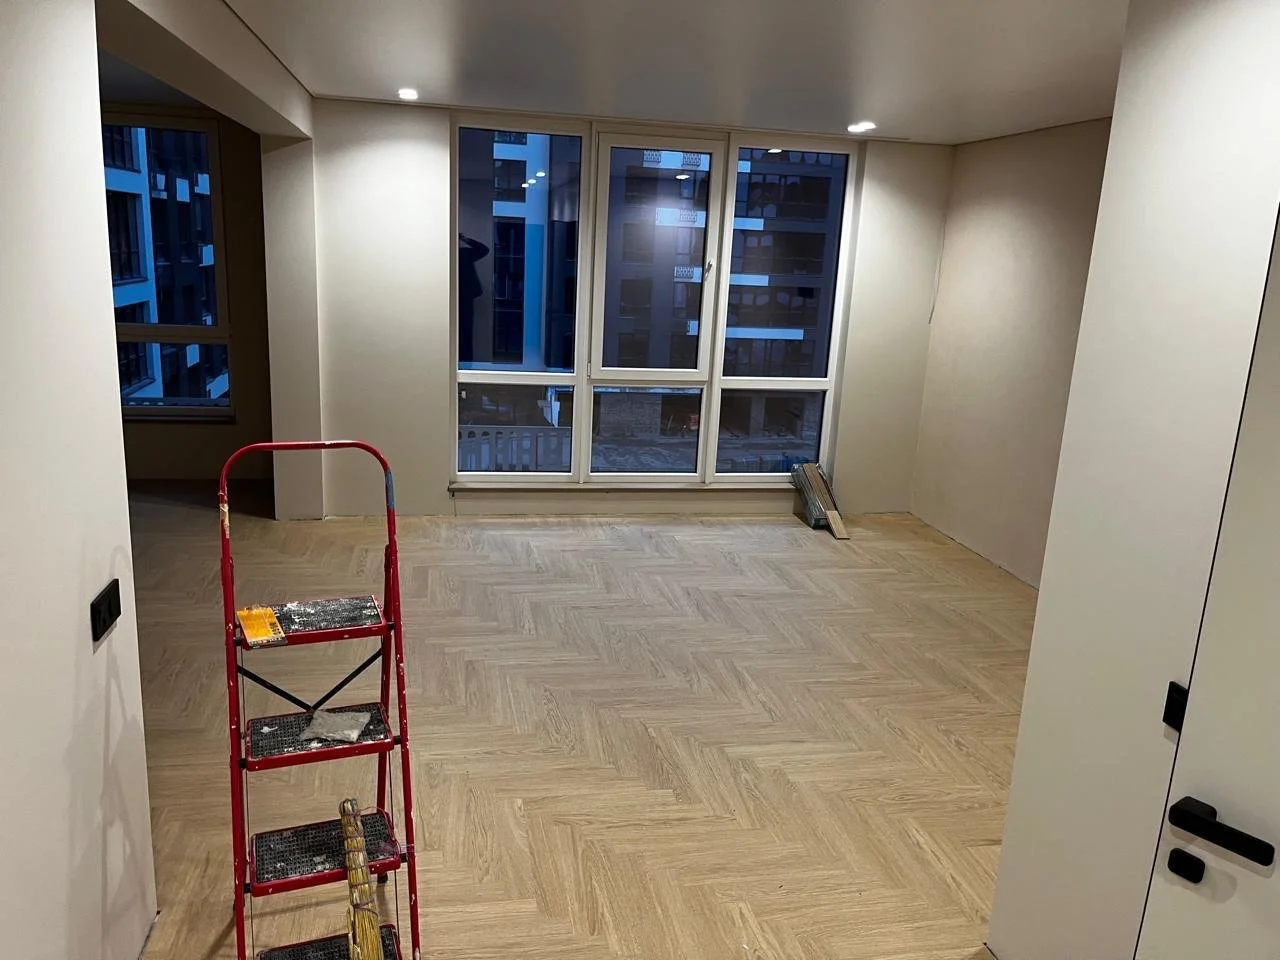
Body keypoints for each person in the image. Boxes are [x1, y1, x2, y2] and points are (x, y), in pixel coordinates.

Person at [457, 233, 490, 363]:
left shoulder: (464, 253)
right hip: (455, 296)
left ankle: (465, 362)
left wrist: (464, 239)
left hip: (465, 296)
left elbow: (484, 250)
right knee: (460, 330)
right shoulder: (457, 254)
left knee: (466, 330)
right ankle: (460, 360)